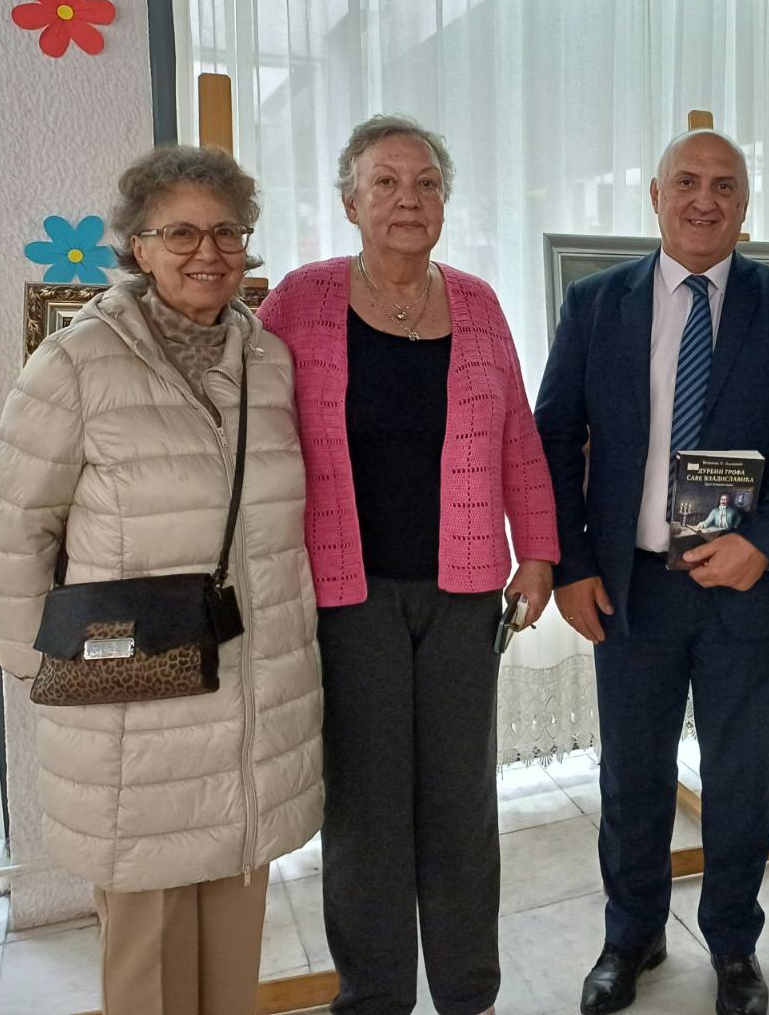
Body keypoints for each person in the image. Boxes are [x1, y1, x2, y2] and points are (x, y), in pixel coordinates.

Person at [0, 145, 322, 1015]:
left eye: (227, 232)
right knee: (150, 965)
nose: (209, 252)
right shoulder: (74, 365)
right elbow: (15, 529)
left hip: (249, 700)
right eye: (181, 233)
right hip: (134, 711)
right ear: (137, 246)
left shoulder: (269, 361)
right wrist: (40, 664)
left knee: (232, 955)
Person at [534, 129, 769, 1015]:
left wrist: (767, 542)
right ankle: (631, 934)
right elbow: (554, 434)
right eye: (687, 182)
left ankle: (734, 943)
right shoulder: (597, 303)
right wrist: (571, 565)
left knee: (741, 777)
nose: (704, 200)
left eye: (724, 185)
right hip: (630, 587)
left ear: (745, 202)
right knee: (632, 776)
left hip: (745, 584)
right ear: (656, 194)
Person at [256, 114, 559, 1015]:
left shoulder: (477, 303)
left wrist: (539, 550)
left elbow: (517, 435)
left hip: (464, 593)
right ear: (350, 202)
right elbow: (253, 428)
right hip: (346, 596)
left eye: (425, 183)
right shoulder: (301, 300)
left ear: (445, 202)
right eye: (384, 183)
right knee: (366, 807)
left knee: (462, 802)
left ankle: (468, 993)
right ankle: (373, 996)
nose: (407, 200)